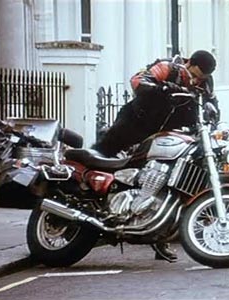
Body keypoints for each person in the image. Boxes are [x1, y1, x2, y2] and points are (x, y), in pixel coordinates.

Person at [92, 50, 218, 262]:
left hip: (167, 131)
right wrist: (163, 87)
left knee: (164, 183)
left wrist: (212, 114)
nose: (196, 80)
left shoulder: (205, 83)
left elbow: (211, 103)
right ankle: (94, 201)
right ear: (189, 62)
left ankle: (160, 238)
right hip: (136, 122)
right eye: (195, 74)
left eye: (201, 78)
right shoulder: (168, 67)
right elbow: (138, 81)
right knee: (104, 154)